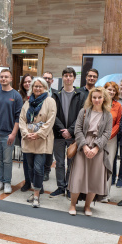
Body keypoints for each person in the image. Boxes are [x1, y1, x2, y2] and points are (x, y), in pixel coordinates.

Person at [68, 87, 113, 216]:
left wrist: (96, 148)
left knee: (94, 178)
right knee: (78, 177)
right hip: (83, 147)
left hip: (98, 150)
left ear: (104, 98)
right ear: (91, 98)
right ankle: (72, 204)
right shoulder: (84, 111)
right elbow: (77, 130)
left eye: (99, 97)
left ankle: (87, 206)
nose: (97, 100)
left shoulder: (107, 115)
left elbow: (107, 133)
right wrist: (85, 147)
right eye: (94, 97)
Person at [19, 77, 57, 208]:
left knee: (38, 168)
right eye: (35, 86)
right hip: (28, 139)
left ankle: (36, 195)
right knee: (29, 168)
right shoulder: (27, 102)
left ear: (45, 88)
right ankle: (37, 188)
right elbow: (22, 119)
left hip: (42, 140)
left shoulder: (50, 101)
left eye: (40, 86)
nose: (37, 88)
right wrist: (25, 133)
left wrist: (38, 133)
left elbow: (51, 120)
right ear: (32, 88)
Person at [49, 67, 86, 198]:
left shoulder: (81, 95)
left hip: (74, 135)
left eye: (71, 76)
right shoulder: (55, 95)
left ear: (74, 78)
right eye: (66, 76)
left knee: (71, 163)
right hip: (58, 135)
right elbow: (53, 114)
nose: (68, 78)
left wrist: (70, 130)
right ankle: (60, 187)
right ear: (63, 78)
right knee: (59, 163)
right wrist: (62, 130)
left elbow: (82, 115)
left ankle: (70, 187)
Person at [0, 69, 23, 194]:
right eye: (1, 77)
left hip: (8, 133)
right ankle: (0, 181)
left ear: (11, 79)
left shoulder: (16, 96)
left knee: (7, 160)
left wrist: (13, 134)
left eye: (6, 77)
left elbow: (18, 117)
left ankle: (7, 182)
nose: (3, 79)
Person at [100, 82, 122, 202]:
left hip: (111, 140)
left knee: (108, 165)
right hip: (97, 138)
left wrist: (108, 135)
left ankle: (105, 194)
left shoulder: (118, 106)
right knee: (96, 165)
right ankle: (94, 191)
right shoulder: (99, 102)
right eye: (109, 89)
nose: (111, 92)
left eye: (114, 90)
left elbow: (119, 123)